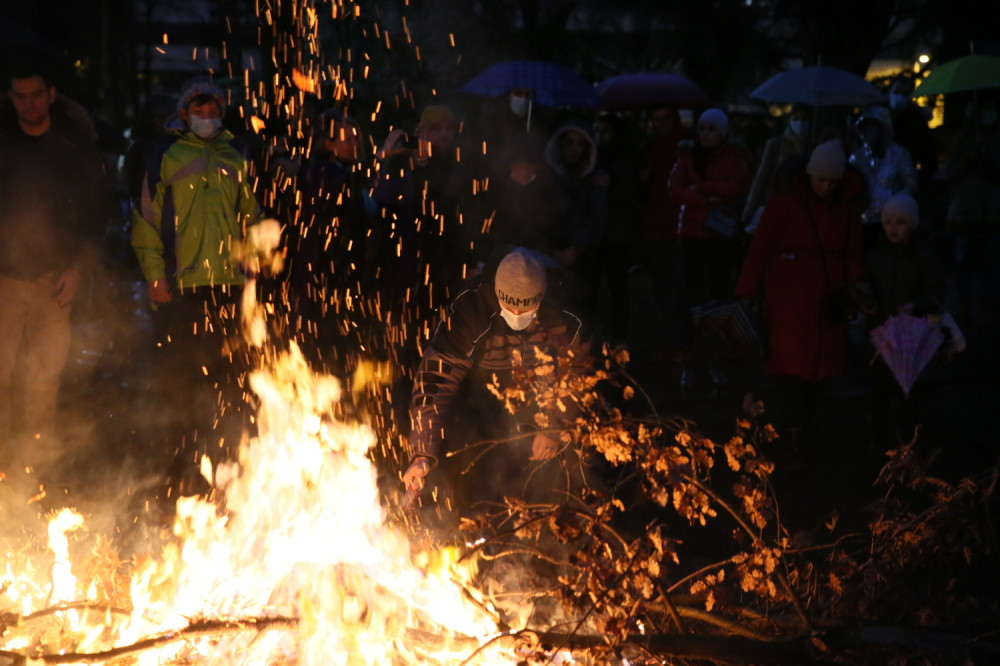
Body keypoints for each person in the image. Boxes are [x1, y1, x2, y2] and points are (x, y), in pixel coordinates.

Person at [131, 75, 261, 494]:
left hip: (227, 288)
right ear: (183, 113)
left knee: (227, 385)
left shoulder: (237, 153)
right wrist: (154, 276)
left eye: (213, 110)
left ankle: (222, 471)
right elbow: (146, 223)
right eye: (198, 110)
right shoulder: (163, 155)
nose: (206, 117)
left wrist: (256, 263)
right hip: (180, 289)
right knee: (179, 382)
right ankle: (175, 474)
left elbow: (251, 215)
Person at [400, 247, 592, 515]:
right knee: (466, 450)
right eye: (509, 306)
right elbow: (435, 380)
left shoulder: (564, 310)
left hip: (541, 389)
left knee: (564, 453)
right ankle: (470, 520)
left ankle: (551, 520)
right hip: (480, 387)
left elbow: (575, 372)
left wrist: (551, 424)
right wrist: (422, 454)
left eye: (525, 307)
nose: (516, 314)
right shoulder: (471, 309)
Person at [734, 139, 867, 465]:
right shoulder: (783, 206)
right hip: (789, 297)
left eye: (831, 181)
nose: (825, 187)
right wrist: (745, 292)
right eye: (820, 180)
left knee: (823, 368)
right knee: (790, 366)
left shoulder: (845, 211)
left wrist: (858, 289)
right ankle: (794, 434)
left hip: (829, 298)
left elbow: (852, 254)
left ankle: (803, 430)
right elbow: (760, 249)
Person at [0, 62, 106, 467]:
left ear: (51, 95)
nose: (28, 103)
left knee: (44, 376)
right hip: (5, 278)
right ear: (11, 99)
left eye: (35, 95)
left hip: (53, 279)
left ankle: (35, 460)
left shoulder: (73, 147)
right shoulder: (4, 145)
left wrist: (77, 266)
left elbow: (94, 212)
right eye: (20, 96)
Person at [667, 108, 749, 390]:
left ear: (723, 132)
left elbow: (734, 187)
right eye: (702, 128)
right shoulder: (687, 157)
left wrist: (697, 187)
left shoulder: (734, 159)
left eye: (712, 129)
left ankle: (716, 358)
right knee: (688, 299)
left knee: (717, 298)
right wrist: (707, 196)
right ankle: (691, 360)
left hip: (718, 237)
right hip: (691, 236)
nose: (706, 134)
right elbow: (674, 188)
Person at [863, 192, 945, 446]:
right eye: (888, 222)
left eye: (900, 222)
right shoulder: (875, 255)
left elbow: (936, 293)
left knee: (908, 390)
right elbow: (868, 286)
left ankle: (908, 441)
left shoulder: (922, 254)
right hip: (881, 332)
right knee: (878, 388)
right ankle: (879, 441)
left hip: (910, 335)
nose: (893, 228)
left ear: (911, 224)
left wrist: (916, 305)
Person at [544, 120, 609, 325]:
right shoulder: (550, 179)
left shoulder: (595, 179)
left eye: (579, 144)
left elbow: (597, 218)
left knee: (582, 309)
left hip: (585, 256)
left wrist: (576, 249)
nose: (573, 149)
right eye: (569, 143)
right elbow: (542, 215)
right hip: (554, 252)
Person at [593, 113, 642, 346]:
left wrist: (611, 186)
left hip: (617, 233)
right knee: (590, 287)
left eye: (606, 131)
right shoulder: (592, 158)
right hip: (597, 233)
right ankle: (589, 337)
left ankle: (619, 338)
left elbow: (630, 194)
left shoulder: (625, 160)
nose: (600, 136)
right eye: (597, 130)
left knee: (617, 288)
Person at [848, 105, 918, 249]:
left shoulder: (898, 154)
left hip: (891, 221)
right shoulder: (857, 156)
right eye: (866, 127)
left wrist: (896, 205)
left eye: (874, 126)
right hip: (863, 220)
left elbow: (910, 182)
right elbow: (850, 185)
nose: (870, 132)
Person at [742, 105, 813, 232]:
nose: (800, 122)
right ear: (790, 120)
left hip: (805, 211)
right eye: (796, 118)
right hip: (777, 207)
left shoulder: (814, 145)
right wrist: (748, 213)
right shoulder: (776, 144)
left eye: (804, 118)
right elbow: (761, 180)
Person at [887, 75, 939, 197]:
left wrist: (914, 185)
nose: (900, 96)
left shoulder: (917, 123)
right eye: (897, 91)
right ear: (889, 92)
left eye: (905, 93)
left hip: (903, 190)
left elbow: (929, 161)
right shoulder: (877, 118)